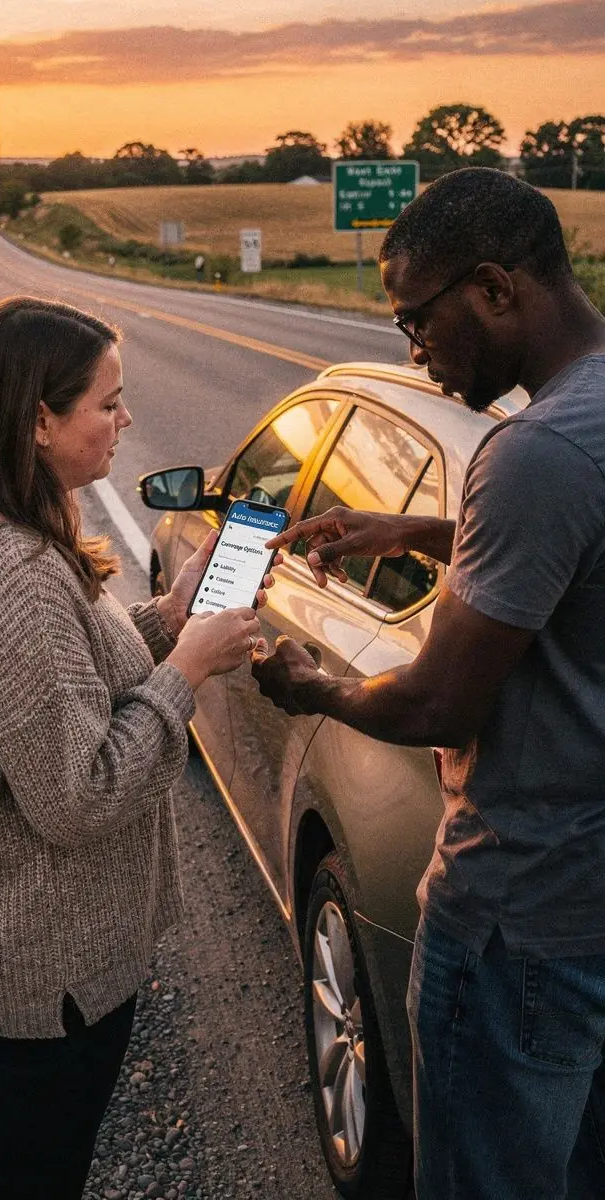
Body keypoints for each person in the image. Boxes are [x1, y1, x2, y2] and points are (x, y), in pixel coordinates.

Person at [251, 169, 605, 1200]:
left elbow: (437, 704)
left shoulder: (531, 453)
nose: (416, 352)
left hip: (519, 919)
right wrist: (421, 530)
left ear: (494, 289)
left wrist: (311, 688)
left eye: (418, 321)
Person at [0, 296, 263, 1199]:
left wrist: (168, 615)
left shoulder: (11, 536)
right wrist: (188, 669)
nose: (124, 419)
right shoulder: (16, 573)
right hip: (47, 953)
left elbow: (66, 679)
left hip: (25, 934)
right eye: (106, 403)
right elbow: (79, 794)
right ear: (37, 419)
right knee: (31, 1176)